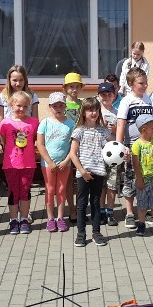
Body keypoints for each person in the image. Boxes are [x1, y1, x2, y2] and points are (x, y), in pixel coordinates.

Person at [68, 97, 113, 248]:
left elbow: (114, 147)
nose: (93, 113)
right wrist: (82, 171)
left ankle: (96, 232)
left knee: (96, 203)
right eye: (90, 110)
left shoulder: (103, 131)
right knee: (81, 204)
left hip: (98, 172)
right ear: (84, 112)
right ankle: (81, 234)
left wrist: (124, 151)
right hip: (83, 173)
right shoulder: (79, 131)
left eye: (96, 110)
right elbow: (73, 154)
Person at [116, 67, 153, 229]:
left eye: (146, 83)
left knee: (147, 177)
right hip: (131, 146)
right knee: (131, 178)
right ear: (131, 84)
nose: (145, 86)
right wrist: (120, 146)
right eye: (141, 83)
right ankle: (130, 213)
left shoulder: (148, 99)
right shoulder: (126, 100)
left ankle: (144, 209)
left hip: (148, 145)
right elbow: (120, 124)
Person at [0, 91, 40, 235]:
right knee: (13, 191)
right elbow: (4, 140)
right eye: (18, 106)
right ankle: (13, 219)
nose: (21, 109)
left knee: (25, 190)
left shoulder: (34, 122)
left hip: (28, 163)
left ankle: (23, 218)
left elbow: (35, 139)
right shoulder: (5, 123)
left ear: (29, 106)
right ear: (11, 105)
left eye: (25, 106)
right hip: (10, 164)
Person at [36, 92, 74, 233]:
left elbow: (73, 146)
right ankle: (50, 218)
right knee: (50, 189)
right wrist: (50, 162)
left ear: (65, 106)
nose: (58, 108)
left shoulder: (70, 123)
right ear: (50, 107)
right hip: (48, 164)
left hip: (65, 163)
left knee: (61, 190)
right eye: (55, 106)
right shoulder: (45, 123)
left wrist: (66, 161)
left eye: (61, 105)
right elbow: (40, 144)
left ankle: (60, 218)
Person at [131, 113, 153, 237]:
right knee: (142, 204)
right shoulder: (137, 145)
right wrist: (139, 180)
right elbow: (136, 165)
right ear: (144, 130)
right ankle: (141, 223)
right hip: (142, 180)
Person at [97, 81, 121, 226]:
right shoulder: (96, 112)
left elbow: (120, 133)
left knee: (112, 184)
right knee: (101, 185)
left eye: (109, 94)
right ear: (98, 96)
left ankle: (110, 212)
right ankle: (100, 211)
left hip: (114, 154)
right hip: (99, 154)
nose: (106, 97)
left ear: (114, 95)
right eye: (103, 94)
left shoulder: (118, 113)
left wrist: (113, 130)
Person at [62, 72, 84, 220]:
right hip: (66, 145)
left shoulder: (83, 104)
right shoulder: (61, 104)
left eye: (77, 86)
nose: (74, 90)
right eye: (71, 87)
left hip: (83, 145)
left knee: (82, 178)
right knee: (69, 179)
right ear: (65, 88)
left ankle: (81, 208)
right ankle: (71, 209)